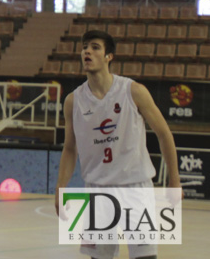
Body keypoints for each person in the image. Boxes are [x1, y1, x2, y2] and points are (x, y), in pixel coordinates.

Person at [55, 30, 180, 259]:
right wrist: (60, 187)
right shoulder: (73, 101)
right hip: (97, 190)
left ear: (108, 56)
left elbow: (164, 134)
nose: (87, 51)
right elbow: (70, 148)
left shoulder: (133, 91)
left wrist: (174, 181)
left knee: (145, 257)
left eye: (95, 47)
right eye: (84, 47)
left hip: (135, 187)